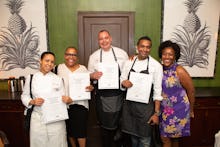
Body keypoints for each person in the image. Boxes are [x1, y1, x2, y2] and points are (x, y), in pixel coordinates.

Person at [88, 30, 129, 147]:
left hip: (119, 95)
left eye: (106, 38)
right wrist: (92, 75)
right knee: (105, 126)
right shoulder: (94, 57)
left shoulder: (122, 53)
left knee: (120, 123)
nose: (104, 41)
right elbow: (89, 74)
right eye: (101, 39)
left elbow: (126, 72)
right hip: (102, 96)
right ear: (98, 41)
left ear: (110, 39)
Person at [120, 36, 163, 147]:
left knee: (145, 139)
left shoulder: (156, 66)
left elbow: (158, 91)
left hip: (146, 109)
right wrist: (124, 82)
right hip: (130, 107)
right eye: (142, 46)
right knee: (133, 137)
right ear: (137, 47)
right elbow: (122, 78)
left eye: (148, 47)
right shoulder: (129, 62)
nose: (145, 49)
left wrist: (156, 113)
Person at [21, 51, 68, 147]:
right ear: (41, 61)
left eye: (52, 62)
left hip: (56, 120)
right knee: (38, 143)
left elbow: (63, 97)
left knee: (58, 143)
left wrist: (66, 100)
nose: (49, 64)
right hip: (38, 119)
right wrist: (32, 101)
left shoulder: (58, 79)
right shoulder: (31, 78)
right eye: (47, 60)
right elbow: (24, 96)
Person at [158, 40, 195, 147]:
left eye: (170, 54)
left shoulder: (179, 70)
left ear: (175, 56)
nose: (167, 57)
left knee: (167, 139)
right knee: (172, 139)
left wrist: (191, 110)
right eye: (164, 54)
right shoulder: (159, 68)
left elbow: (191, 91)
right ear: (161, 55)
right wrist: (135, 57)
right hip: (164, 110)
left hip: (178, 110)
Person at [56, 47, 94, 147]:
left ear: (77, 57)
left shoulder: (83, 69)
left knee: (81, 131)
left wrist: (90, 87)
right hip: (65, 105)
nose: (71, 57)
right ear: (65, 56)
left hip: (80, 105)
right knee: (70, 131)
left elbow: (88, 85)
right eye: (68, 54)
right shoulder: (59, 68)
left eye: (73, 55)